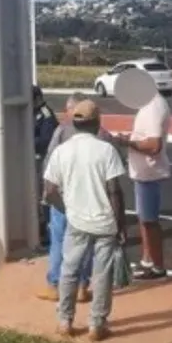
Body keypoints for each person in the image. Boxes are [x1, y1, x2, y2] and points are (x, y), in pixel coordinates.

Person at [43, 99, 127, 342]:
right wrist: (120, 224)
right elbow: (115, 191)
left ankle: (65, 321)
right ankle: (96, 324)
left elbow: (49, 191)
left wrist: (68, 208)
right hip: (104, 222)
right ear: (97, 123)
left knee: (69, 269)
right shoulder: (106, 150)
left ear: (74, 123)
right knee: (102, 274)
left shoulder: (62, 151)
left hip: (76, 221)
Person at [36, 92, 115, 302]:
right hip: (92, 199)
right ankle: (82, 285)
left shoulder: (62, 131)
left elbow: (49, 163)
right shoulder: (103, 135)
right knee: (87, 244)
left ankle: (55, 284)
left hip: (63, 197)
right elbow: (114, 172)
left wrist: (48, 195)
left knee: (59, 241)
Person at [113, 88, 171, 280]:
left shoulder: (154, 105)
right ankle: (148, 260)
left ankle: (158, 266)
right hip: (144, 173)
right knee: (144, 220)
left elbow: (154, 145)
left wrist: (127, 142)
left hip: (149, 172)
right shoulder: (149, 104)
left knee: (149, 221)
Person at [33, 85, 60, 248]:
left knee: (44, 197)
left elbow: (46, 140)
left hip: (43, 159)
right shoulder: (33, 112)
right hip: (34, 158)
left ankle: (47, 230)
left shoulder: (45, 115)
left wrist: (27, 141)